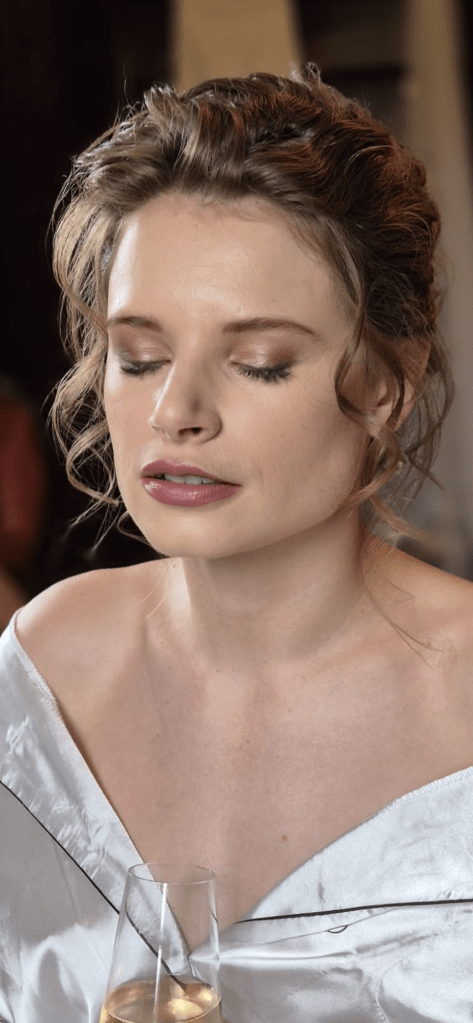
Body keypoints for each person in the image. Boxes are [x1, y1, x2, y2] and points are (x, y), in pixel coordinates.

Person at [0, 64, 471, 1022]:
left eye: (257, 363)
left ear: (385, 385)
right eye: (139, 356)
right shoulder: (46, 670)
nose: (176, 411)